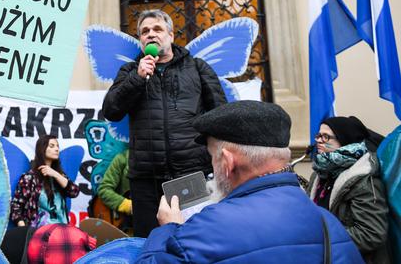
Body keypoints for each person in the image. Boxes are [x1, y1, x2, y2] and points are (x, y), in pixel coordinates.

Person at [136, 100, 364, 263]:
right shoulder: (328, 223)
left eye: (212, 157)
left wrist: (168, 229)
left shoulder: (206, 230)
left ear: (227, 161)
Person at [102, 9, 226, 237]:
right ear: (140, 40)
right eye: (144, 32)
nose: (151, 34)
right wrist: (136, 79)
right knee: (150, 242)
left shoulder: (197, 68)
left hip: (192, 174)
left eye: (157, 29)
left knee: (196, 238)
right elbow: (111, 111)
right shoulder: (130, 71)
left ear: (170, 34)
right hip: (146, 180)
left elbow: (220, 117)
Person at [307, 116, 391, 263]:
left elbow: (371, 233)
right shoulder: (319, 172)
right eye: (318, 135)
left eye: (326, 137)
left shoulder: (363, 178)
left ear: (344, 140)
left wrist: (321, 240)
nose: (318, 140)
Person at [10, 135, 79, 227]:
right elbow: (15, 207)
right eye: (52, 146)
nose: (57, 149)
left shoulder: (60, 176)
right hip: (39, 233)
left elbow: (74, 192)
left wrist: (55, 174)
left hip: (62, 231)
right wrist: (25, 231)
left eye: (57, 146)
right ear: (42, 149)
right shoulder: (30, 177)